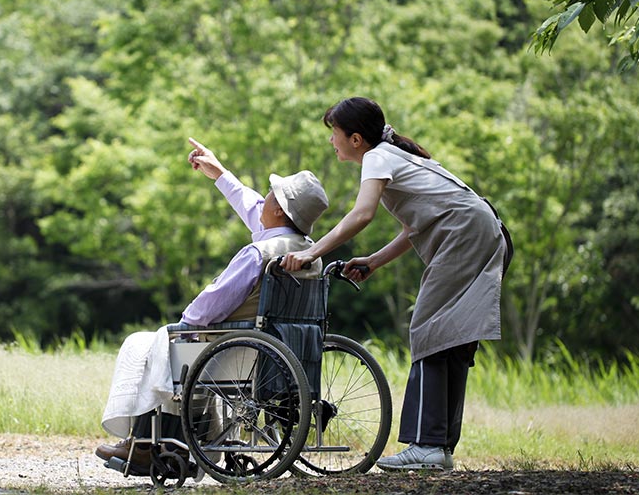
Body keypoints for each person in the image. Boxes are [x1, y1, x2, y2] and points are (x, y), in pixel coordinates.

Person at [281, 96, 511, 472]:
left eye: (334, 134)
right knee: (449, 336)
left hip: (465, 233)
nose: (331, 142)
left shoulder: (378, 157)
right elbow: (413, 228)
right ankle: (439, 446)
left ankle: (427, 446)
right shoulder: (394, 155)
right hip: (479, 228)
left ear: (356, 139)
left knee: (429, 330)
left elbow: (361, 214)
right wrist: (373, 261)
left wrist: (312, 253)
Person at [96, 137, 330, 471]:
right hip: (281, 350)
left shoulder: (259, 254)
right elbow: (253, 209)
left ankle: (148, 444)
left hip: (236, 351)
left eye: (269, 194)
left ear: (278, 208)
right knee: (170, 346)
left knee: (152, 344)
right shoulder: (306, 252)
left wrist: (184, 323)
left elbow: (209, 306)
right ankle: (161, 443)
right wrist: (219, 172)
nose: (262, 197)